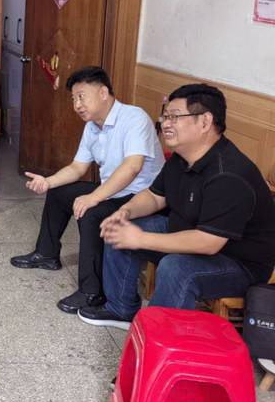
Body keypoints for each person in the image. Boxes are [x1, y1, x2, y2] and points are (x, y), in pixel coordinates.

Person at [78, 84, 275, 330]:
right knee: (119, 228)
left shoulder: (229, 174)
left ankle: (158, 336)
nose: (165, 124)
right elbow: (154, 197)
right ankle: (121, 309)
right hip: (189, 233)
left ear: (205, 122)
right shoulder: (181, 158)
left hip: (237, 263)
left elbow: (209, 242)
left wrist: (141, 239)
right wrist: (125, 212)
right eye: (165, 116)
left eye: (174, 117)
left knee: (176, 268)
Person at [11, 66, 164, 313]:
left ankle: (92, 291)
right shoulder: (92, 126)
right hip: (113, 190)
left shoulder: (134, 118)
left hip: (141, 196)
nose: (77, 105)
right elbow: (77, 168)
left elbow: (132, 168)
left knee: (91, 212)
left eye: (81, 97)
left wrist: (94, 197)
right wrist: (48, 182)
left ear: (103, 92)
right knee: (60, 192)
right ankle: (47, 254)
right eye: (73, 99)